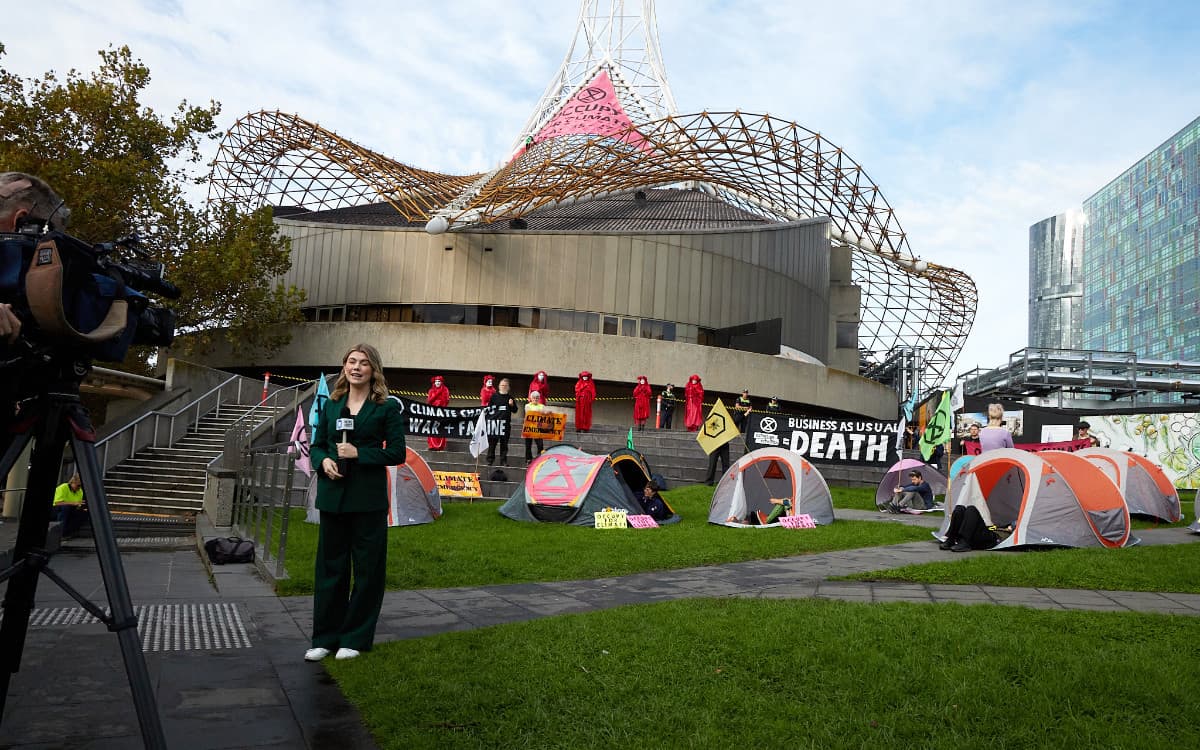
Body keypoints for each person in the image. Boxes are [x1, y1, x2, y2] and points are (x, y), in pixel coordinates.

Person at [306, 343, 406, 662]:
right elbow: (318, 445)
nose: (356, 367)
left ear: (373, 370)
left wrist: (360, 454)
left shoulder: (386, 407)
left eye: (363, 363)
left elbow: (397, 453)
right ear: (344, 367)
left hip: (367, 500)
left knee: (367, 571)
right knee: (330, 570)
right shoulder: (331, 405)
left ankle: (355, 637)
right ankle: (325, 637)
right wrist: (324, 462)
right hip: (333, 498)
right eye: (351, 362)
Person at [939, 505, 1013, 552]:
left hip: (994, 539)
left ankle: (965, 542)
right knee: (960, 508)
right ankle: (951, 539)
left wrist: (1012, 526)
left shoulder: (1019, 526)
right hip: (987, 531)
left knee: (971, 509)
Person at [486, 378, 516, 466]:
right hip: (495, 424)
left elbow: (515, 410)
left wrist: (512, 405)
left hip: (505, 425)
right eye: (502, 385)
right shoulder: (494, 396)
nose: (504, 387)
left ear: (508, 387)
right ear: (499, 386)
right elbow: (489, 409)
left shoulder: (510, 398)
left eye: (505, 385)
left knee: (504, 444)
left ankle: (503, 461)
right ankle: (490, 460)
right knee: (492, 444)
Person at [52, 473, 87, 537]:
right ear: (73, 482)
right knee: (65, 508)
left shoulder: (80, 491)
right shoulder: (64, 487)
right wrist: (73, 503)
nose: (79, 488)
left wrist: (81, 507)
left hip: (70, 509)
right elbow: (57, 503)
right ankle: (59, 533)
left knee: (83, 513)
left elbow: (77, 505)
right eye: (78, 485)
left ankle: (68, 532)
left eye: (80, 486)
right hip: (56, 508)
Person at [425, 375, 450, 451]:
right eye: (436, 381)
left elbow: (447, 400)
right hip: (433, 412)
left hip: (441, 412)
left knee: (440, 428)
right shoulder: (431, 391)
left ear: (441, 382)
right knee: (432, 427)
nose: (437, 383)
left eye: (439, 381)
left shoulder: (445, 390)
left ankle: (440, 446)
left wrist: (440, 404)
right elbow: (429, 401)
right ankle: (432, 445)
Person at [524, 389, 545, 464]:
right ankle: (528, 460)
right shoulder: (527, 405)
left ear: (539, 399)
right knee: (528, 445)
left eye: (537, 398)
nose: (535, 399)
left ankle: (539, 459)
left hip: (538, 428)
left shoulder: (542, 406)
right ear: (531, 398)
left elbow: (543, 415)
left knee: (540, 445)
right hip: (529, 427)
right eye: (534, 398)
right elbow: (529, 413)